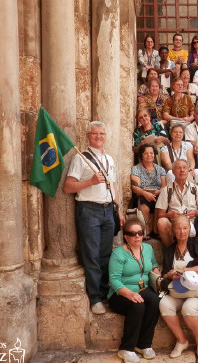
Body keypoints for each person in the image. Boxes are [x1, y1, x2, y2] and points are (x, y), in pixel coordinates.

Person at [63, 121, 125, 315]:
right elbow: (68, 187)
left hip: (108, 210)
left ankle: (105, 292)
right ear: (88, 136)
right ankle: (95, 298)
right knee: (91, 254)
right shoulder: (80, 158)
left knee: (106, 253)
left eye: (102, 134)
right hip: (89, 209)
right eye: (95, 133)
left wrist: (118, 208)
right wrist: (89, 181)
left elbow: (113, 186)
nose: (99, 137)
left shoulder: (109, 159)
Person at [108, 219, 160, 362]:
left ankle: (144, 344)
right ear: (125, 236)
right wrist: (129, 293)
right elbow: (114, 280)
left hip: (143, 288)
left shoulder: (148, 249)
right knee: (137, 305)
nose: (137, 236)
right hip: (120, 292)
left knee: (155, 302)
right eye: (132, 233)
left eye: (140, 233)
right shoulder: (118, 255)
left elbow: (153, 263)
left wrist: (156, 270)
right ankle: (127, 348)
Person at [159, 215, 198, 360]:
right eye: (178, 228)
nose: (182, 232)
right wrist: (169, 274)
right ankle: (182, 341)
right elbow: (164, 274)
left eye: (185, 228)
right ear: (173, 231)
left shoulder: (196, 244)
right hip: (178, 289)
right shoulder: (170, 250)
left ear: (189, 229)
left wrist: (184, 271)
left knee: (188, 308)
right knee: (164, 304)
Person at [155, 159, 198, 247]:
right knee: (162, 222)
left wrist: (196, 213)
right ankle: (172, 251)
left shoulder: (195, 188)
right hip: (174, 222)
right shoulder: (166, 190)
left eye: (184, 168)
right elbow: (160, 214)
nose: (182, 170)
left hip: (193, 221)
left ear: (188, 171)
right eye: (178, 168)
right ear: (173, 172)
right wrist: (169, 215)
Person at [130, 144, 167, 237]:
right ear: (141, 155)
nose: (149, 155)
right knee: (144, 206)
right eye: (146, 153)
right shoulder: (136, 169)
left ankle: (156, 229)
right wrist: (145, 194)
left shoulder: (160, 169)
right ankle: (146, 230)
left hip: (157, 193)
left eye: (151, 153)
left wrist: (159, 191)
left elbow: (164, 186)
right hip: (142, 194)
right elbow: (135, 187)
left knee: (160, 201)